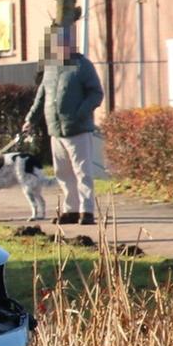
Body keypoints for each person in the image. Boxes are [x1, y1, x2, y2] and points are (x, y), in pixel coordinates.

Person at [22, 23, 103, 224]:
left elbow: (96, 93)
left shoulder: (83, 66)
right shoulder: (50, 68)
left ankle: (87, 211)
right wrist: (30, 120)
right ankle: (71, 210)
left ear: (69, 45)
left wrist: (80, 113)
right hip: (56, 130)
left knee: (82, 172)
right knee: (63, 173)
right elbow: (41, 97)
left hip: (77, 129)